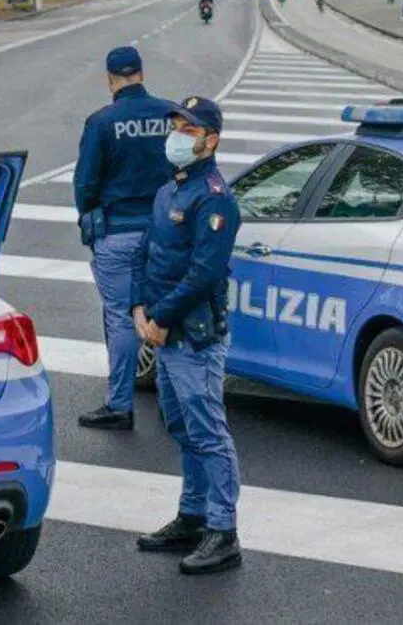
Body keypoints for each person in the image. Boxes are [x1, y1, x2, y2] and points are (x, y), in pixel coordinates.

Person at [132, 95, 243, 576]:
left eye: (187, 129)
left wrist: (159, 316)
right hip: (163, 330)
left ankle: (224, 531)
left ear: (210, 141)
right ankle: (193, 515)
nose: (176, 135)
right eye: (174, 126)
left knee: (207, 431)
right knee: (181, 427)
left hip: (194, 336)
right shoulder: (170, 189)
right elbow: (146, 250)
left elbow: (204, 274)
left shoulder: (214, 198)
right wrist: (139, 306)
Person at [72, 46, 179, 430]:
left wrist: (88, 214)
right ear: (142, 74)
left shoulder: (101, 122)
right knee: (166, 314)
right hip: (165, 233)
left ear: (109, 79)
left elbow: (85, 184)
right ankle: (173, 405)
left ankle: (119, 404)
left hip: (118, 233)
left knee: (119, 318)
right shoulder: (170, 114)